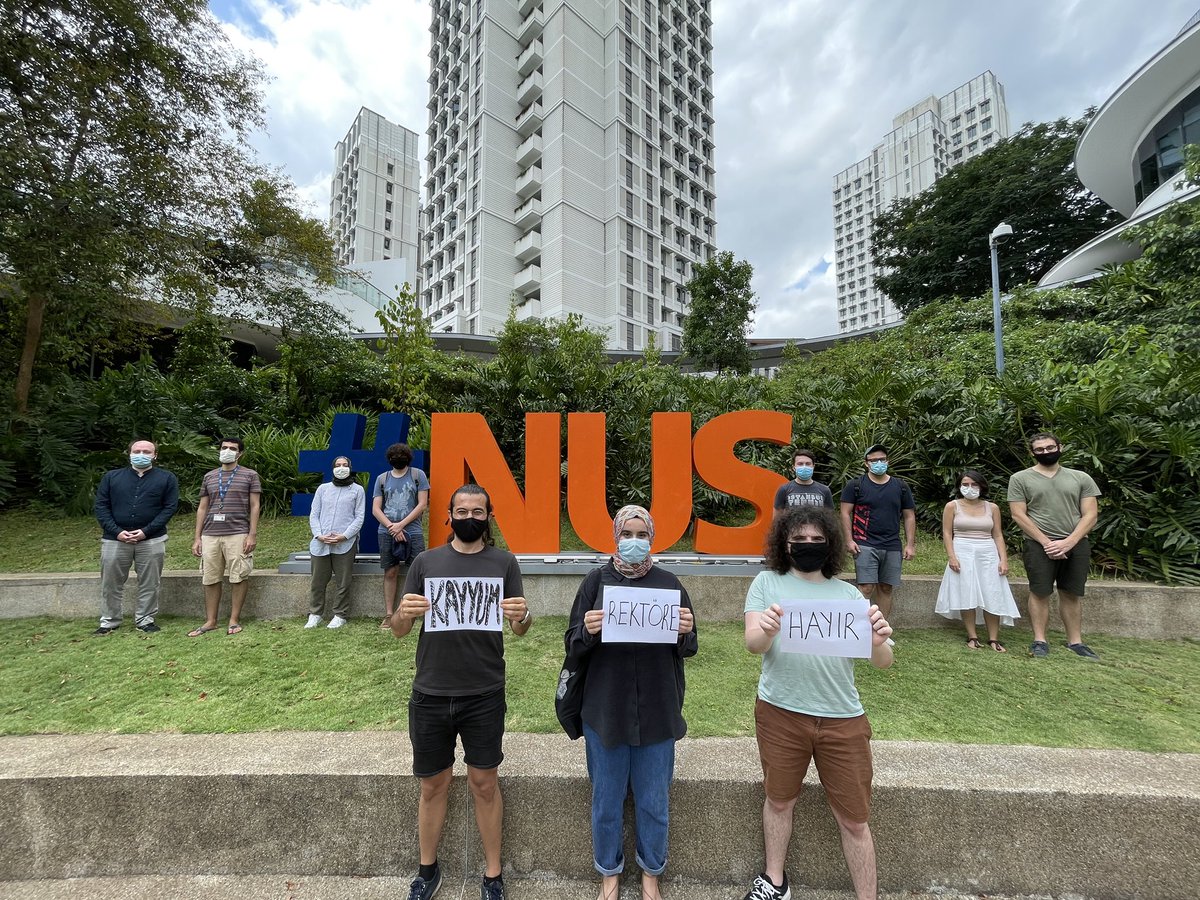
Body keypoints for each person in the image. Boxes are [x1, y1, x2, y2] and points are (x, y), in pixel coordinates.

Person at [389, 484, 532, 900]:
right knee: (432, 785)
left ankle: (493, 875)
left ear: (488, 516)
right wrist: (402, 613)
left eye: (478, 510)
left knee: (484, 783)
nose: (470, 517)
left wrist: (523, 616)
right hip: (431, 692)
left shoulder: (504, 563)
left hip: (484, 692)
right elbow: (399, 630)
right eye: (462, 510)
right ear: (449, 515)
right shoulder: (425, 561)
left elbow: (520, 628)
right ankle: (427, 870)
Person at [743, 507, 894, 900]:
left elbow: (883, 661)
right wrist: (768, 629)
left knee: (855, 819)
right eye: (799, 539)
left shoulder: (848, 595)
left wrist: (879, 639)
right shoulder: (765, 583)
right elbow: (752, 644)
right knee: (778, 800)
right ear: (784, 543)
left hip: (843, 718)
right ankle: (775, 882)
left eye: (816, 540)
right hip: (780, 712)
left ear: (830, 545)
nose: (807, 546)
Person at [567, 505, 698, 900]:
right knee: (606, 801)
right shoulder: (595, 582)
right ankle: (609, 873)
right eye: (628, 534)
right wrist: (587, 630)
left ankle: (651, 874)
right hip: (605, 711)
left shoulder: (669, 582)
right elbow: (571, 644)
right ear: (616, 536)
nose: (635, 542)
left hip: (658, 709)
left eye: (642, 535)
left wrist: (684, 631)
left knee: (654, 802)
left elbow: (688, 647)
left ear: (652, 539)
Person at [1007, 432, 1102, 659]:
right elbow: (1018, 515)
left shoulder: (1081, 478)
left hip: (1076, 543)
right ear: (1032, 453)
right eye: (1039, 450)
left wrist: (1070, 541)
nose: (1046, 452)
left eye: (1050, 447)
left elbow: (1091, 514)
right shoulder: (1019, 479)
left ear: (1060, 447)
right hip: (1038, 545)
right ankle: (1040, 641)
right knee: (1039, 592)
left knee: (1071, 592)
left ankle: (1075, 642)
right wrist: (1047, 542)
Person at [93, 439, 180, 635]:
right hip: (115, 539)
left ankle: (145, 620)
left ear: (154, 455)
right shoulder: (111, 477)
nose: (141, 454)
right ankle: (109, 621)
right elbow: (101, 506)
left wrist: (146, 531)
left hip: (151, 539)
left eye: (146, 451)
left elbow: (169, 508)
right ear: (129, 453)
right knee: (110, 582)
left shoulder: (167, 478)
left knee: (150, 582)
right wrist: (117, 532)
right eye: (137, 450)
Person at [934, 469, 1020, 651]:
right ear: (959, 486)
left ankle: (994, 638)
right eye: (965, 484)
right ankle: (972, 636)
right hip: (962, 552)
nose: (970, 488)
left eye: (974, 484)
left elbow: (997, 535)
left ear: (981, 486)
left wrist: (1003, 560)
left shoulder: (992, 508)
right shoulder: (952, 506)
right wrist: (952, 557)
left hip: (988, 553)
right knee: (967, 593)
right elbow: (947, 533)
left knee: (992, 593)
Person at [189, 438, 261, 637]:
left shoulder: (250, 475)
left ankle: (234, 619)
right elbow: (202, 507)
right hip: (210, 533)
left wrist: (252, 534)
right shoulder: (210, 477)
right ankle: (211, 620)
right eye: (224, 448)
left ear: (240, 454)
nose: (227, 451)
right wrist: (197, 537)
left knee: (238, 575)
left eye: (232, 449)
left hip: (238, 532)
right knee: (210, 577)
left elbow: (255, 506)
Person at [839, 444, 915, 620]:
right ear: (866, 463)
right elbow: (844, 512)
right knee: (866, 587)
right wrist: (849, 540)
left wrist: (910, 545)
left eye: (882, 459)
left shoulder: (900, 486)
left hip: (892, 545)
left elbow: (909, 516)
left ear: (887, 461)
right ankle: (858, 626)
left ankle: (882, 628)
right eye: (874, 460)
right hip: (864, 543)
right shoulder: (855, 485)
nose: (879, 463)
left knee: (886, 587)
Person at [372, 442, 430, 629]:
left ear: (408, 458)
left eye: (401, 456)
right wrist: (391, 527)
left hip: (412, 530)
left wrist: (401, 526)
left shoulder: (417, 475)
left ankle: (414, 612)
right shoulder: (382, 478)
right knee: (390, 571)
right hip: (386, 531)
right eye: (394, 457)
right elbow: (376, 508)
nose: (397, 459)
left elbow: (422, 504)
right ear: (389, 460)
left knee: (417, 571)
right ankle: (390, 614)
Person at [306, 456, 366, 629]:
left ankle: (340, 614)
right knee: (317, 581)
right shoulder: (323, 489)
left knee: (343, 581)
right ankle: (315, 613)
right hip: (321, 542)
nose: (341, 468)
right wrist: (319, 535)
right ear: (332, 468)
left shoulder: (357, 490)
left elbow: (359, 516)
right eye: (338, 465)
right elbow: (314, 514)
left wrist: (344, 536)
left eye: (345, 465)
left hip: (345, 543)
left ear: (350, 467)